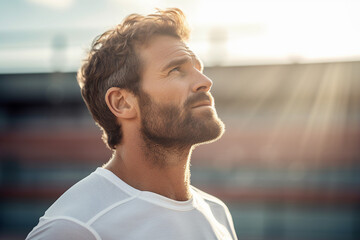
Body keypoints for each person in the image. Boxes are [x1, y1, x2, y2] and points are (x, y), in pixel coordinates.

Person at [26, 8, 237, 240]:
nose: (205, 82)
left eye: (199, 69)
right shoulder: (75, 227)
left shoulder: (217, 213)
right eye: (176, 70)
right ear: (122, 102)